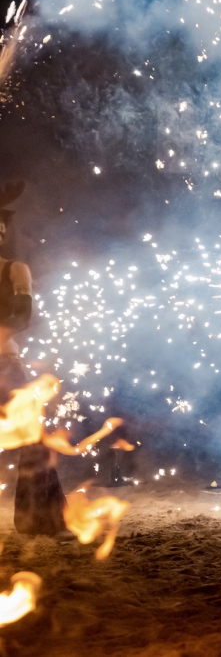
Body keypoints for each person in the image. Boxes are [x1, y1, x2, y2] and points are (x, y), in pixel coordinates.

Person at [0, 180, 66, 535]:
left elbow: (22, 318)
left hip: (5, 368)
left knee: (35, 443)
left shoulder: (13, 270)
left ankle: (43, 521)